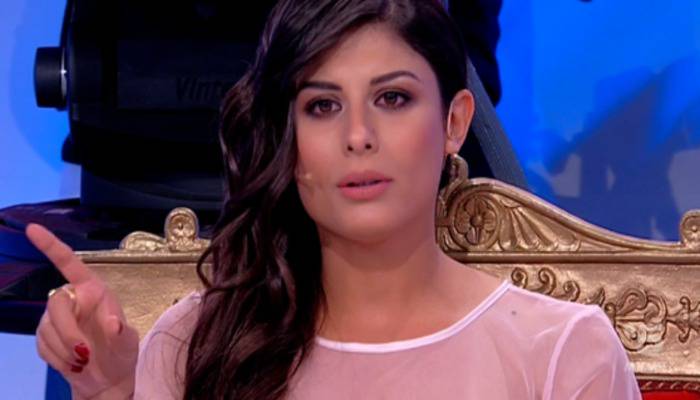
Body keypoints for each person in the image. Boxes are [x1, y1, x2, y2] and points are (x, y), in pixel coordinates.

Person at [28, 0, 642, 399]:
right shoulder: (194, 344)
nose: (358, 136)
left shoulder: (565, 353)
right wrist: (112, 393)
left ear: (455, 123)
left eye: (393, 99)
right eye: (322, 106)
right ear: (288, 138)